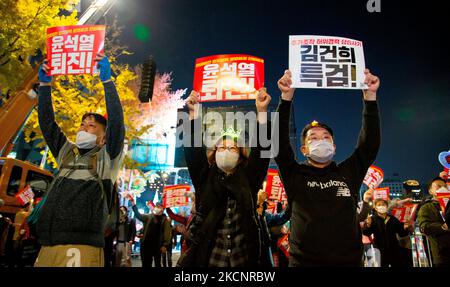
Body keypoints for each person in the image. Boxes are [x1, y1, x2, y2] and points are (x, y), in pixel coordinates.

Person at [274, 69, 381, 266]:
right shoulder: (295, 174)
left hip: (348, 262)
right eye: (313, 138)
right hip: (304, 263)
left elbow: (369, 146)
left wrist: (370, 98)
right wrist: (286, 99)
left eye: (326, 137)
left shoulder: (347, 172)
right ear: (304, 149)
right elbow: (279, 145)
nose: (320, 141)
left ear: (334, 146)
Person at [34, 54, 125, 267]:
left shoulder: (106, 158)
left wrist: (107, 82)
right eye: (83, 124)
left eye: (91, 126)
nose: (84, 127)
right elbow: (47, 124)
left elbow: (117, 124)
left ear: (103, 138)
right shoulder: (66, 152)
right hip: (48, 243)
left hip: (81, 247)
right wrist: (45, 85)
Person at [177, 88, 272, 267]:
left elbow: (262, 151)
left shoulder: (249, 179)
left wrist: (261, 112)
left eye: (232, 148)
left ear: (240, 156)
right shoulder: (205, 179)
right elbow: (192, 151)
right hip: (210, 260)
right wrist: (193, 114)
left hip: (244, 262)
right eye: (221, 148)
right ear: (213, 154)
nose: (226, 151)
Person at [362, 198, 411, 267]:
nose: (381, 206)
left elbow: (402, 233)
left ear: (387, 206)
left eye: (383, 204)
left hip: (394, 250)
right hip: (379, 251)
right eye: (379, 205)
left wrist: (405, 228)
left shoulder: (393, 219)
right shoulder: (372, 219)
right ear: (375, 208)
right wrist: (368, 225)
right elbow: (366, 233)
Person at [128, 196, 171, 268]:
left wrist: (165, 245)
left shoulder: (165, 219)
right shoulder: (149, 216)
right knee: (146, 264)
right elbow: (138, 215)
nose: (157, 207)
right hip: (146, 245)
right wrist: (133, 204)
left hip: (158, 246)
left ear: (162, 209)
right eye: (156, 206)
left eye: (159, 206)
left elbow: (167, 233)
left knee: (158, 264)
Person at [417, 177, 450, 266]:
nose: (442, 188)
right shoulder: (426, 207)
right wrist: (443, 227)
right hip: (441, 254)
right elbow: (424, 227)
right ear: (430, 191)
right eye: (438, 186)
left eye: (444, 186)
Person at [256, 190, 290, 267]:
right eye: (264, 202)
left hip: (266, 248)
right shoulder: (252, 216)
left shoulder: (265, 215)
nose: (266, 205)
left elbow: (279, 218)